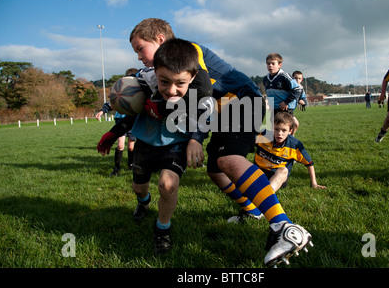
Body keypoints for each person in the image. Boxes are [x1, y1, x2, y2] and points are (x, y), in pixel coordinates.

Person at [107, 18, 314, 267]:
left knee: (228, 160)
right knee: (215, 170)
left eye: (140, 48)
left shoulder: (189, 51)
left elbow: (202, 88)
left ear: (160, 40)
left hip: (242, 101)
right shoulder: (165, 69)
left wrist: (195, 138)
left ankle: (284, 228)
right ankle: (252, 210)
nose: (139, 56)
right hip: (223, 110)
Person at [98, 38, 213, 255]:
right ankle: (144, 202)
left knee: (167, 185)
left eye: (180, 83)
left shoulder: (199, 94)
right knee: (138, 188)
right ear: (155, 71)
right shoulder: (144, 83)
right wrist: (114, 133)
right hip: (145, 144)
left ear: (193, 76)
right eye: (164, 82)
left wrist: (196, 139)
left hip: (175, 146)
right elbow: (133, 112)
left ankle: (162, 229)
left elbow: (206, 118)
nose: (171, 90)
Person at [227, 112, 326, 223]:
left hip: (277, 176)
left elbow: (309, 163)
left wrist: (314, 183)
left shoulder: (295, 145)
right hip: (259, 172)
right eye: (276, 129)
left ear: (290, 131)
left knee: (283, 170)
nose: (279, 133)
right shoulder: (263, 136)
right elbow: (245, 143)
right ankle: (259, 204)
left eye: (283, 130)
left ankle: (260, 203)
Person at [95, 68, 138, 176]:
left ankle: (131, 165)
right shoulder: (122, 90)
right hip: (120, 120)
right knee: (120, 145)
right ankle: (116, 168)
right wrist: (102, 111)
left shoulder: (138, 91)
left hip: (132, 121)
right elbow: (110, 103)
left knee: (131, 146)